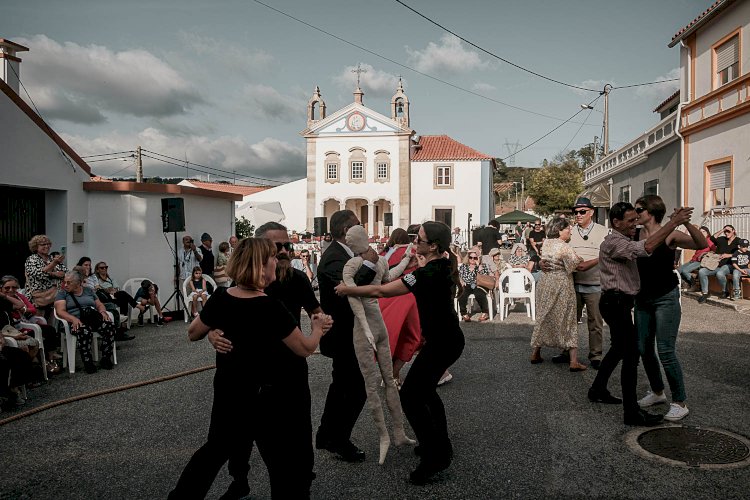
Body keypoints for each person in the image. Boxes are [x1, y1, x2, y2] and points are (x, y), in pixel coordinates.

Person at [168, 238, 333, 500]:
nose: (276, 264)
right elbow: (304, 348)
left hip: (229, 390)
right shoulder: (270, 306)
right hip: (263, 396)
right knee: (279, 461)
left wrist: (213, 329)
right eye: (272, 260)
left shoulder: (222, 297)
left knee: (214, 451)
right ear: (261, 266)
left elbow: (193, 332)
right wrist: (317, 329)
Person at [335, 221, 464, 485]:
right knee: (426, 392)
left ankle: (435, 456)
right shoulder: (436, 266)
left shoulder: (428, 273)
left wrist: (349, 289)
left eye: (421, 240)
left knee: (411, 396)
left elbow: (383, 290)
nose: (415, 242)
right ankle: (441, 444)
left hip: (444, 343)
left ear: (434, 246)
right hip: (446, 340)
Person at [207, 221, 322, 499]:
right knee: (238, 435)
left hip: (290, 369)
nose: (283, 251)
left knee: (298, 433)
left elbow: (316, 310)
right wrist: (212, 334)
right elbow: (219, 314)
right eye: (276, 247)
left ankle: (301, 482)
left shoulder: (297, 279)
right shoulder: (244, 281)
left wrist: (319, 324)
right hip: (247, 372)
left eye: (287, 246)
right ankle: (239, 480)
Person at [587, 202, 692, 425]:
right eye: (630, 221)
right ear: (616, 222)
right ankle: (631, 412)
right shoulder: (615, 242)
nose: (635, 225)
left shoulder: (622, 238)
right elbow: (644, 248)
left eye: (637, 219)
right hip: (615, 303)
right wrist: (673, 223)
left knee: (618, 350)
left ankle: (597, 389)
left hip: (619, 302)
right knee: (632, 356)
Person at [633, 195, 707, 422]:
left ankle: (680, 401)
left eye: (639, 209)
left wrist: (684, 222)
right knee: (644, 348)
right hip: (642, 298)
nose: (635, 213)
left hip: (665, 297)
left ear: (650, 212)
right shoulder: (635, 234)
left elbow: (702, 245)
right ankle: (657, 392)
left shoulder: (671, 233)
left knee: (665, 350)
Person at [315, 210, 379, 463]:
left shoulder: (345, 254)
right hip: (344, 335)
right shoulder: (333, 258)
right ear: (345, 232)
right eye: (358, 226)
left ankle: (325, 434)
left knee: (340, 386)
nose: (362, 230)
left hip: (351, 333)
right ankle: (340, 440)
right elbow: (352, 287)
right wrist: (371, 262)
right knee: (356, 389)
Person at [549, 198, 608, 369]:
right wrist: (545, 263)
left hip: (595, 284)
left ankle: (595, 356)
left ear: (591, 212)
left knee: (595, 322)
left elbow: (607, 255)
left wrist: (590, 263)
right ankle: (567, 352)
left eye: (582, 211)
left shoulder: (602, 231)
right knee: (569, 320)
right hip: (571, 284)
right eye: (576, 212)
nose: (578, 215)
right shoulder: (569, 232)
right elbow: (556, 251)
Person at [529, 217, 587, 371]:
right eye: (568, 229)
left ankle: (535, 352)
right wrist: (599, 259)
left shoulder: (547, 243)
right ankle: (573, 361)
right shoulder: (564, 247)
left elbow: (545, 259)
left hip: (546, 282)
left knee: (544, 315)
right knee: (568, 318)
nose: (570, 231)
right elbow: (578, 266)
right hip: (561, 283)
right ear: (560, 230)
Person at [378, 227, 422, 386]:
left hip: (384, 297)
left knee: (390, 338)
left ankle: (389, 375)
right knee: (412, 338)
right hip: (406, 297)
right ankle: (393, 374)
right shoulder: (413, 252)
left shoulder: (384, 253)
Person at [54, 271, 116, 374]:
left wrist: (103, 312)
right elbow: (60, 312)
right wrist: (73, 319)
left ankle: (106, 358)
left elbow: (99, 304)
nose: (65, 285)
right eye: (65, 282)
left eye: (69, 282)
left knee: (109, 326)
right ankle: (88, 362)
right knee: (84, 331)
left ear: (78, 283)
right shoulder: (62, 294)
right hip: (75, 321)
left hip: (91, 318)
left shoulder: (89, 291)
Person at [0, 275, 61, 374]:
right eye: (7, 288)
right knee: (34, 336)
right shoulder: (4, 301)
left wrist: (24, 309)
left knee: (50, 330)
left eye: (14, 287)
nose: (11, 290)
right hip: (17, 327)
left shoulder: (19, 297)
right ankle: (41, 362)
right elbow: (17, 311)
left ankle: (50, 359)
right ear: (1, 288)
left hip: (26, 323)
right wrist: (7, 298)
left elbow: (32, 309)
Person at [24, 234, 67, 317]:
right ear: (36, 246)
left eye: (48, 244)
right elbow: (40, 275)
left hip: (54, 298)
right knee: (40, 324)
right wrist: (54, 265)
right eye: (43, 244)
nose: (47, 246)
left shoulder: (52, 258)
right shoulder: (32, 259)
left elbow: (64, 273)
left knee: (54, 324)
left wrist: (49, 272)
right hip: (38, 299)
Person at [697, 225, 740, 303]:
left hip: (729, 265)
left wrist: (729, 255)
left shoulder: (738, 241)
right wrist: (722, 230)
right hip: (716, 264)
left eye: (728, 231)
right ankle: (705, 293)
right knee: (702, 272)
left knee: (720, 273)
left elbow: (742, 253)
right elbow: (712, 238)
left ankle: (725, 291)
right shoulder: (722, 239)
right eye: (725, 231)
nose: (726, 233)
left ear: (733, 231)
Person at [457, 249, 492, 322]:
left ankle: (485, 312)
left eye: (475, 258)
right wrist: (461, 280)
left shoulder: (483, 266)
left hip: (479, 284)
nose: (472, 259)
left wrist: (479, 265)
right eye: (471, 257)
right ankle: (463, 313)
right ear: (468, 257)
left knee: (479, 294)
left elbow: (485, 277)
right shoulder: (464, 266)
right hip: (467, 284)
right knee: (462, 293)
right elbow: (459, 275)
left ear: (478, 258)